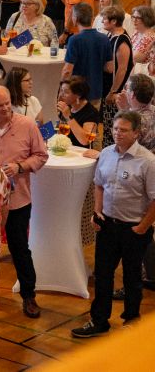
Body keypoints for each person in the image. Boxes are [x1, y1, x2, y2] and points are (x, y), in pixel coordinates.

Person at [72, 110, 155, 338]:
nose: (118, 133)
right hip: (108, 226)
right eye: (116, 129)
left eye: (124, 130)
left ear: (136, 133)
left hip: (133, 228)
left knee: (132, 277)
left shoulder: (148, 161)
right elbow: (99, 184)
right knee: (103, 274)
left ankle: (131, 320)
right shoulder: (106, 154)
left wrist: (142, 227)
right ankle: (99, 321)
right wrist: (97, 212)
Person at [0, 85, 48, 318]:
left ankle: (29, 296)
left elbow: (41, 155)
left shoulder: (27, 124)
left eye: (7, 103)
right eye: (0, 105)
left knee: (20, 249)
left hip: (17, 201)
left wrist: (20, 166)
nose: (6, 108)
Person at [62, 3, 114, 105]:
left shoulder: (74, 39)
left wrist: (61, 90)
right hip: (96, 91)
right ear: (92, 18)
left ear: (75, 19)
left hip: (77, 93)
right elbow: (109, 68)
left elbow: (67, 71)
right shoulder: (104, 38)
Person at [102, 5, 134, 148]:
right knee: (107, 127)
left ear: (114, 21)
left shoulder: (122, 40)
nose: (102, 21)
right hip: (108, 87)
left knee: (114, 128)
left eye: (105, 19)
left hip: (116, 92)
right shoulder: (111, 36)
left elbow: (122, 69)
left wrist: (113, 91)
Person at [57, 76, 101, 148]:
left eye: (66, 92)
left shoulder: (91, 113)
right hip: (66, 149)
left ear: (78, 95)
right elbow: (61, 133)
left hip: (82, 152)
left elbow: (85, 141)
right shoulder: (67, 107)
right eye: (61, 90)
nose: (62, 95)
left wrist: (69, 117)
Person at [116, 75, 155, 150]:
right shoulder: (153, 109)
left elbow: (123, 147)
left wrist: (124, 111)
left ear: (132, 94)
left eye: (126, 88)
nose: (123, 91)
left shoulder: (136, 121)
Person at [131, 6, 155, 71]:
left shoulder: (150, 38)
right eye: (133, 17)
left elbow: (136, 57)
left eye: (138, 18)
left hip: (142, 73)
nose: (134, 20)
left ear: (146, 19)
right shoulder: (136, 33)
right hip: (133, 70)